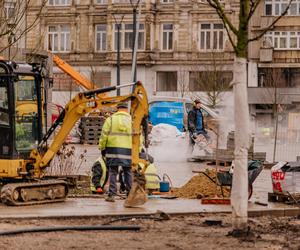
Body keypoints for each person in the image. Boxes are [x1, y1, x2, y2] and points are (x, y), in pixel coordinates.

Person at [99, 102, 133, 202]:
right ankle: (130, 194)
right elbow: (138, 137)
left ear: (117, 109)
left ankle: (111, 195)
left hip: (113, 149)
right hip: (128, 150)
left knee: (113, 171)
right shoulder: (132, 120)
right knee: (128, 171)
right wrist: (138, 150)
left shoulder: (111, 119)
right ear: (126, 109)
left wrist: (102, 148)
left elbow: (104, 135)